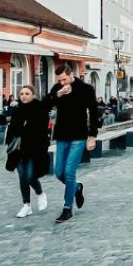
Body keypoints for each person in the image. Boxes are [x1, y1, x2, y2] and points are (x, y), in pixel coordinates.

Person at [44, 65, 98, 224]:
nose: (61, 82)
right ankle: (77, 188)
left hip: (79, 136)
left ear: (71, 75)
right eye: (59, 80)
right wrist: (57, 95)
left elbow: (94, 112)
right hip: (62, 135)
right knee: (59, 172)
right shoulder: (57, 89)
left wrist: (92, 136)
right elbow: (44, 106)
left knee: (69, 172)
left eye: (64, 79)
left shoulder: (85, 89)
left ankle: (67, 208)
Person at [5, 85, 50, 219]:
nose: (24, 96)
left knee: (31, 176)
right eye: (22, 93)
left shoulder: (39, 109)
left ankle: (40, 193)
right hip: (18, 149)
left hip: (33, 149)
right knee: (22, 177)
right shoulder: (17, 110)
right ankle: (26, 205)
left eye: (27, 93)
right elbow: (12, 128)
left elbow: (41, 129)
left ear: (33, 95)